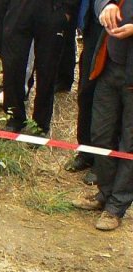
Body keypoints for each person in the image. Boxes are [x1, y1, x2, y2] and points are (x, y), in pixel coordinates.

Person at [73, 0, 133, 230]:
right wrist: (106, 5)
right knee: (100, 134)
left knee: (129, 144)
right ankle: (105, 193)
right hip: (109, 64)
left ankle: (116, 206)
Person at [0, 0, 81, 134]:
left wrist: (67, 9)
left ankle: (41, 124)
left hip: (54, 9)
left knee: (47, 68)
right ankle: (14, 117)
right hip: (19, 7)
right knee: (12, 63)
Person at [65, 0, 105, 185]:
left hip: (120, 32)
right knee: (86, 92)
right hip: (94, 26)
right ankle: (86, 152)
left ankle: (102, 162)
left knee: (107, 99)